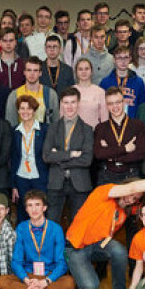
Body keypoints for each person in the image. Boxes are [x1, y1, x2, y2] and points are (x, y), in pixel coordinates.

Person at [0, 190, 76, 289]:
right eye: (30, 205)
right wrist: (27, 281)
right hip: (29, 275)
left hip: (49, 276)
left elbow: (62, 263)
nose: (34, 209)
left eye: (37, 205)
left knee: (70, 283)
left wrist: (45, 282)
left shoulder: (56, 229)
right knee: (1, 281)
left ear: (44, 207)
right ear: (26, 209)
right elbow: (16, 261)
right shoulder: (21, 228)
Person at [42, 88, 94, 223]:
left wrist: (60, 159)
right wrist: (72, 154)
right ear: (61, 104)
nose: (69, 106)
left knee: (78, 225)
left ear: (78, 104)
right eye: (66, 102)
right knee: (52, 223)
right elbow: (47, 156)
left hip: (80, 184)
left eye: (73, 102)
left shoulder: (87, 129)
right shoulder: (52, 127)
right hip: (56, 182)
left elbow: (87, 159)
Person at [93, 87, 145, 184]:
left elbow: (141, 153)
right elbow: (99, 154)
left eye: (118, 102)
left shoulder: (137, 125)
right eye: (110, 103)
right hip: (106, 176)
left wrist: (112, 156)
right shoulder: (100, 128)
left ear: (123, 102)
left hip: (131, 175)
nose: (115, 106)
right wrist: (125, 149)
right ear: (106, 106)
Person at [10, 94, 50, 221]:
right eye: (22, 108)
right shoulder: (14, 131)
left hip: (40, 178)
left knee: (41, 212)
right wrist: (14, 185)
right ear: (18, 111)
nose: (25, 111)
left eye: (29, 108)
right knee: (23, 212)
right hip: (21, 178)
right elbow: (13, 158)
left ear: (34, 110)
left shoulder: (45, 130)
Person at [99, 47, 145, 118]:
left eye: (126, 57)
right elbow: (102, 107)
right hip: (111, 124)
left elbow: (142, 107)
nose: (123, 61)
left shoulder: (139, 82)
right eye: (119, 58)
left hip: (132, 124)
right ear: (114, 60)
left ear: (130, 59)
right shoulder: (105, 82)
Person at [73, 58, 108, 127]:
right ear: (76, 72)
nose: (84, 72)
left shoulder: (100, 92)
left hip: (94, 133)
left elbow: (105, 119)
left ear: (91, 71)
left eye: (86, 69)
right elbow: (63, 117)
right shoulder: (70, 92)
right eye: (80, 69)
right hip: (74, 134)